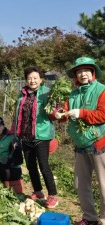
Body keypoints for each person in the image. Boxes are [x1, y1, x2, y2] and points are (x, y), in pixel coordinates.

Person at [55, 57, 105, 225]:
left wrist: (82, 113)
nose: (83, 74)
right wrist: (60, 113)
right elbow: (66, 111)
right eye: (79, 71)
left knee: (103, 185)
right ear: (75, 75)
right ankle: (90, 218)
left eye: (86, 71)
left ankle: (104, 219)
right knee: (80, 184)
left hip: (98, 143)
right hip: (80, 144)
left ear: (93, 73)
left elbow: (103, 115)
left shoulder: (101, 90)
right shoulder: (73, 93)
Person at [12, 66, 58, 208]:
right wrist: (15, 135)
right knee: (31, 166)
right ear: (26, 79)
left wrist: (55, 108)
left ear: (41, 79)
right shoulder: (22, 94)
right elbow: (17, 116)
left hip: (41, 136)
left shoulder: (47, 93)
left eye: (35, 78)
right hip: (25, 136)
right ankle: (38, 192)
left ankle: (52, 196)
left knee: (44, 166)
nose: (32, 80)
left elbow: (53, 114)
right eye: (29, 78)